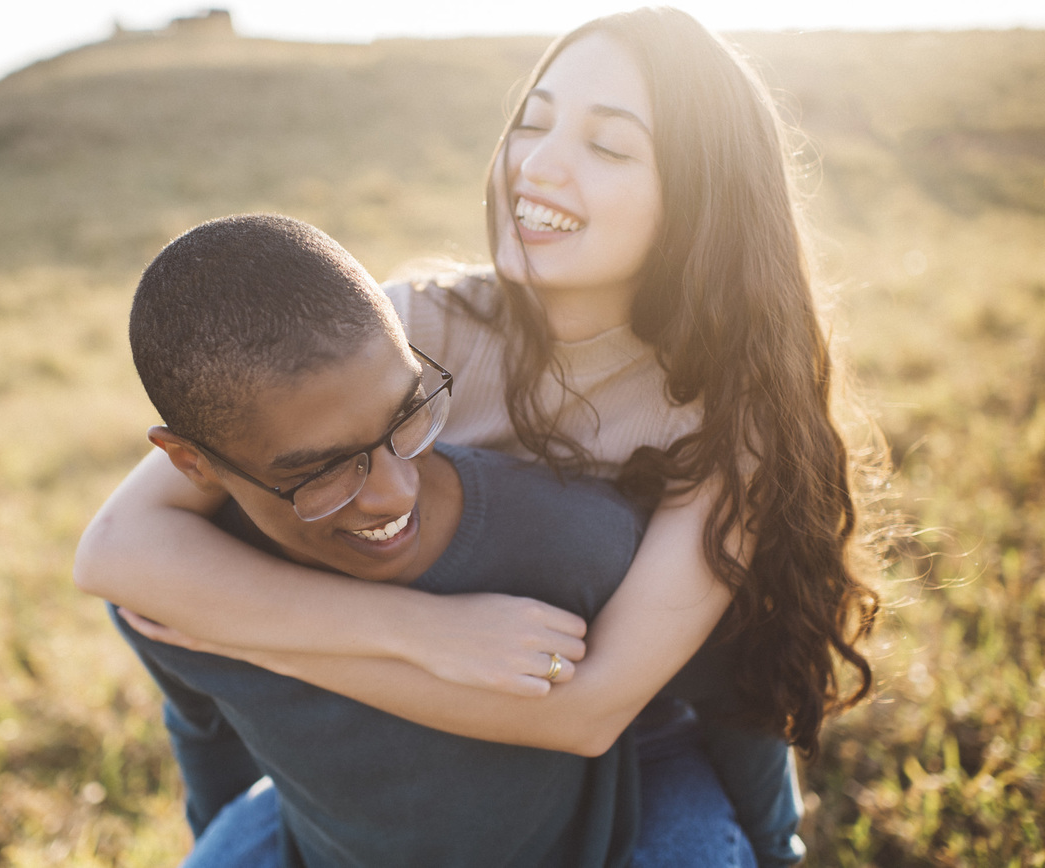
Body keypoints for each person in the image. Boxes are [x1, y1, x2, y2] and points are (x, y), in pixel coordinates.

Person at [76, 7, 884, 866]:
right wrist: (416, 635)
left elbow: (592, 709)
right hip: (401, 755)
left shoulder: (728, 419)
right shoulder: (412, 322)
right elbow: (117, 552)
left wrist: (253, 638)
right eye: (530, 122)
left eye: (607, 147)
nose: (536, 164)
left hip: (631, 758)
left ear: (701, 194)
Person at [117, 211, 753, 867]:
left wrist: (774, 844)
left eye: (406, 414)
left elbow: (739, 696)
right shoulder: (175, 592)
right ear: (190, 462)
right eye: (323, 470)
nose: (396, 492)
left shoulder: (573, 543)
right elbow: (207, 730)